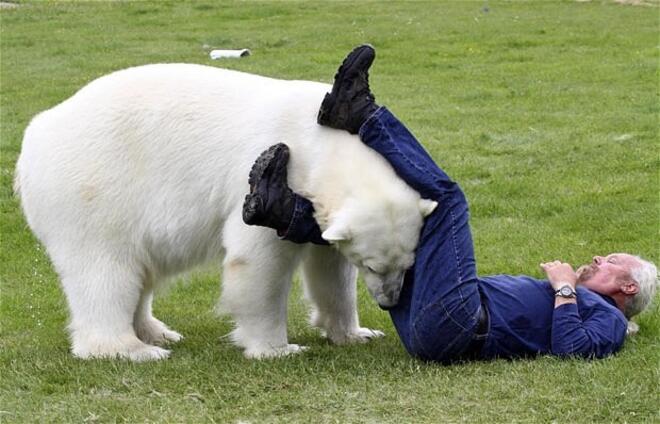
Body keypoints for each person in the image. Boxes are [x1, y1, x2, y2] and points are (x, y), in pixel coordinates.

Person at [242, 45, 658, 363]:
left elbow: (574, 349)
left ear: (628, 287)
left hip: (457, 327)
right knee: (402, 226)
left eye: (613, 261)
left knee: (449, 201)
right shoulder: (597, 310)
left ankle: (362, 115)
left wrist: (566, 288)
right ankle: (286, 212)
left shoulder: (610, 319)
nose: (600, 257)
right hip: (432, 321)